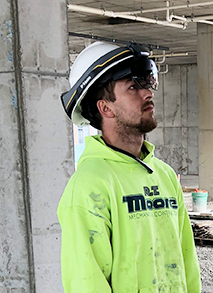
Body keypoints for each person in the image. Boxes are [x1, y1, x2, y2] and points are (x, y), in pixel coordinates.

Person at [58, 41, 201, 293]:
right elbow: (87, 281)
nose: (148, 94)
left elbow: (186, 259)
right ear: (105, 108)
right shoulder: (90, 185)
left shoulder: (164, 174)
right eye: (133, 87)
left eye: (146, 84)